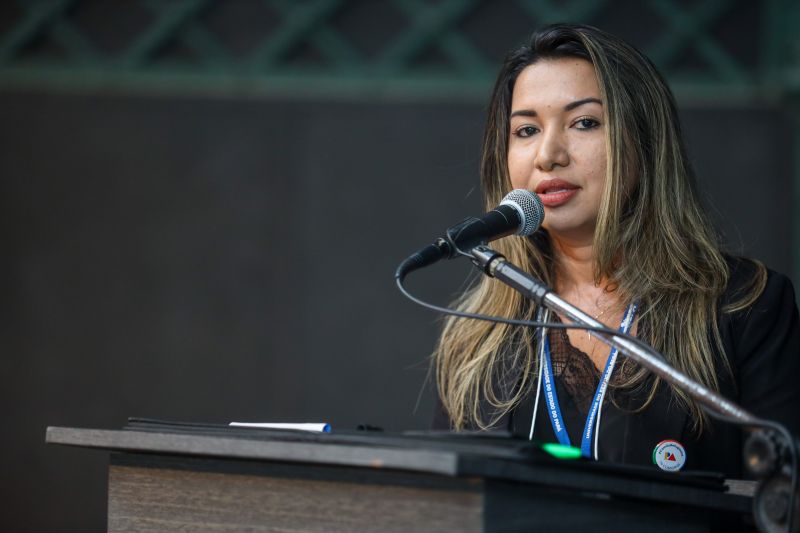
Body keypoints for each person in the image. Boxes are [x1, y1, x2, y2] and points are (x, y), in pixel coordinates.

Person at [432, 23, 800, 478]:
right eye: (526, 130)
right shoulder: (474, 339)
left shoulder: (744, 306)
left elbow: (779, 498)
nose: (548, 154)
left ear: (644, 144)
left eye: (584, 122)